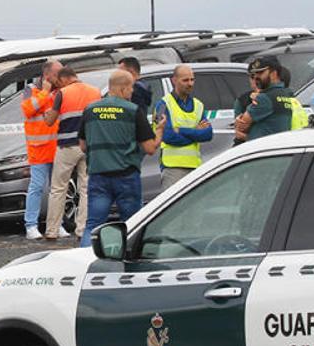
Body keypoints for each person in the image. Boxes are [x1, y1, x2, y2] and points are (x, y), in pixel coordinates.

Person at [77, 70, 162, 247]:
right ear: (123, 89)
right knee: (132, 224)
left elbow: (83, 146)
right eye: (131, 89)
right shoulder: (132, 111)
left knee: (93, 225)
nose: (132, 93)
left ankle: (83, 262)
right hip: (126, 177)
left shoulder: (90, 110)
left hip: (98, 176)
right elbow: (150, 148)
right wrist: (160, 131)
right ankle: (129, 264)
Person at [43, 67, 102, 240]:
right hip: (89, 145)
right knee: (86, 189)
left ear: (62, 80)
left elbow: (50, 121)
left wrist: (48, 113)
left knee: (58, 188)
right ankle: (82, 230)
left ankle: (52, 231)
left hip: (67, 146)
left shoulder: (62, 93)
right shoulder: (95, 92)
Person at [19, 60, 62, 240]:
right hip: (39, 149)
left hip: (58, 148)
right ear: (47, 76)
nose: (61, 76)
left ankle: (56, 224)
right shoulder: (31, 90)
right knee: (36, 187)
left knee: (57, 188)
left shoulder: (60, 91)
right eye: (58, 73)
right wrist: (45, 92)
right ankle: (31, 225)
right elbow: (28, 109)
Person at [152, 65, 213, 190]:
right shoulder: (163, 105)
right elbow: (167, 136)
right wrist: (196, 133)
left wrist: (180, 130)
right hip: (172, 167)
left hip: (194, 166)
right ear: (174, 80)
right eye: (185, 80)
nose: (190, 83)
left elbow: (208, 134)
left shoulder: (198, 105)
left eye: (192, 79)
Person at [233, 56, 308, 142]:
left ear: (274, 73)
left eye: (261, 73)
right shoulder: (287, 94)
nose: (257, 77)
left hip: (261, 150)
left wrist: (244, 135)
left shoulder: (264, 98)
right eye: (254, 74)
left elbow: (241, 126)